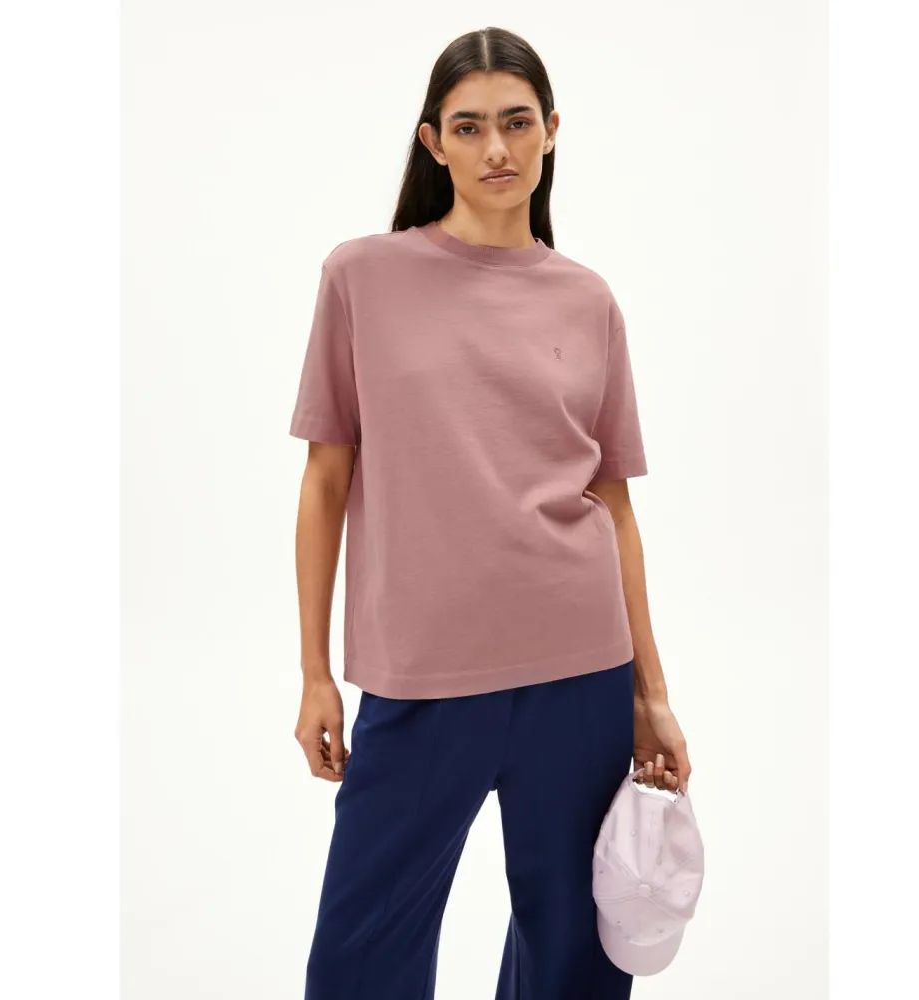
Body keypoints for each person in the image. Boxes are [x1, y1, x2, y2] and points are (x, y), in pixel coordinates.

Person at [289, 25, 692, 1000]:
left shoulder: (587, 300)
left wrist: (650, 693)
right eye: (468, 127)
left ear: (551, 130)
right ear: (433, 143)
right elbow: (326, 482)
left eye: (516, 123)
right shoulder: (361, 278)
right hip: (422, 673)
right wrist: (314, 673)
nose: (496, 149)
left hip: (581, 669)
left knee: (576, 953)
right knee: (358, 958)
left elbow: (613, 506)